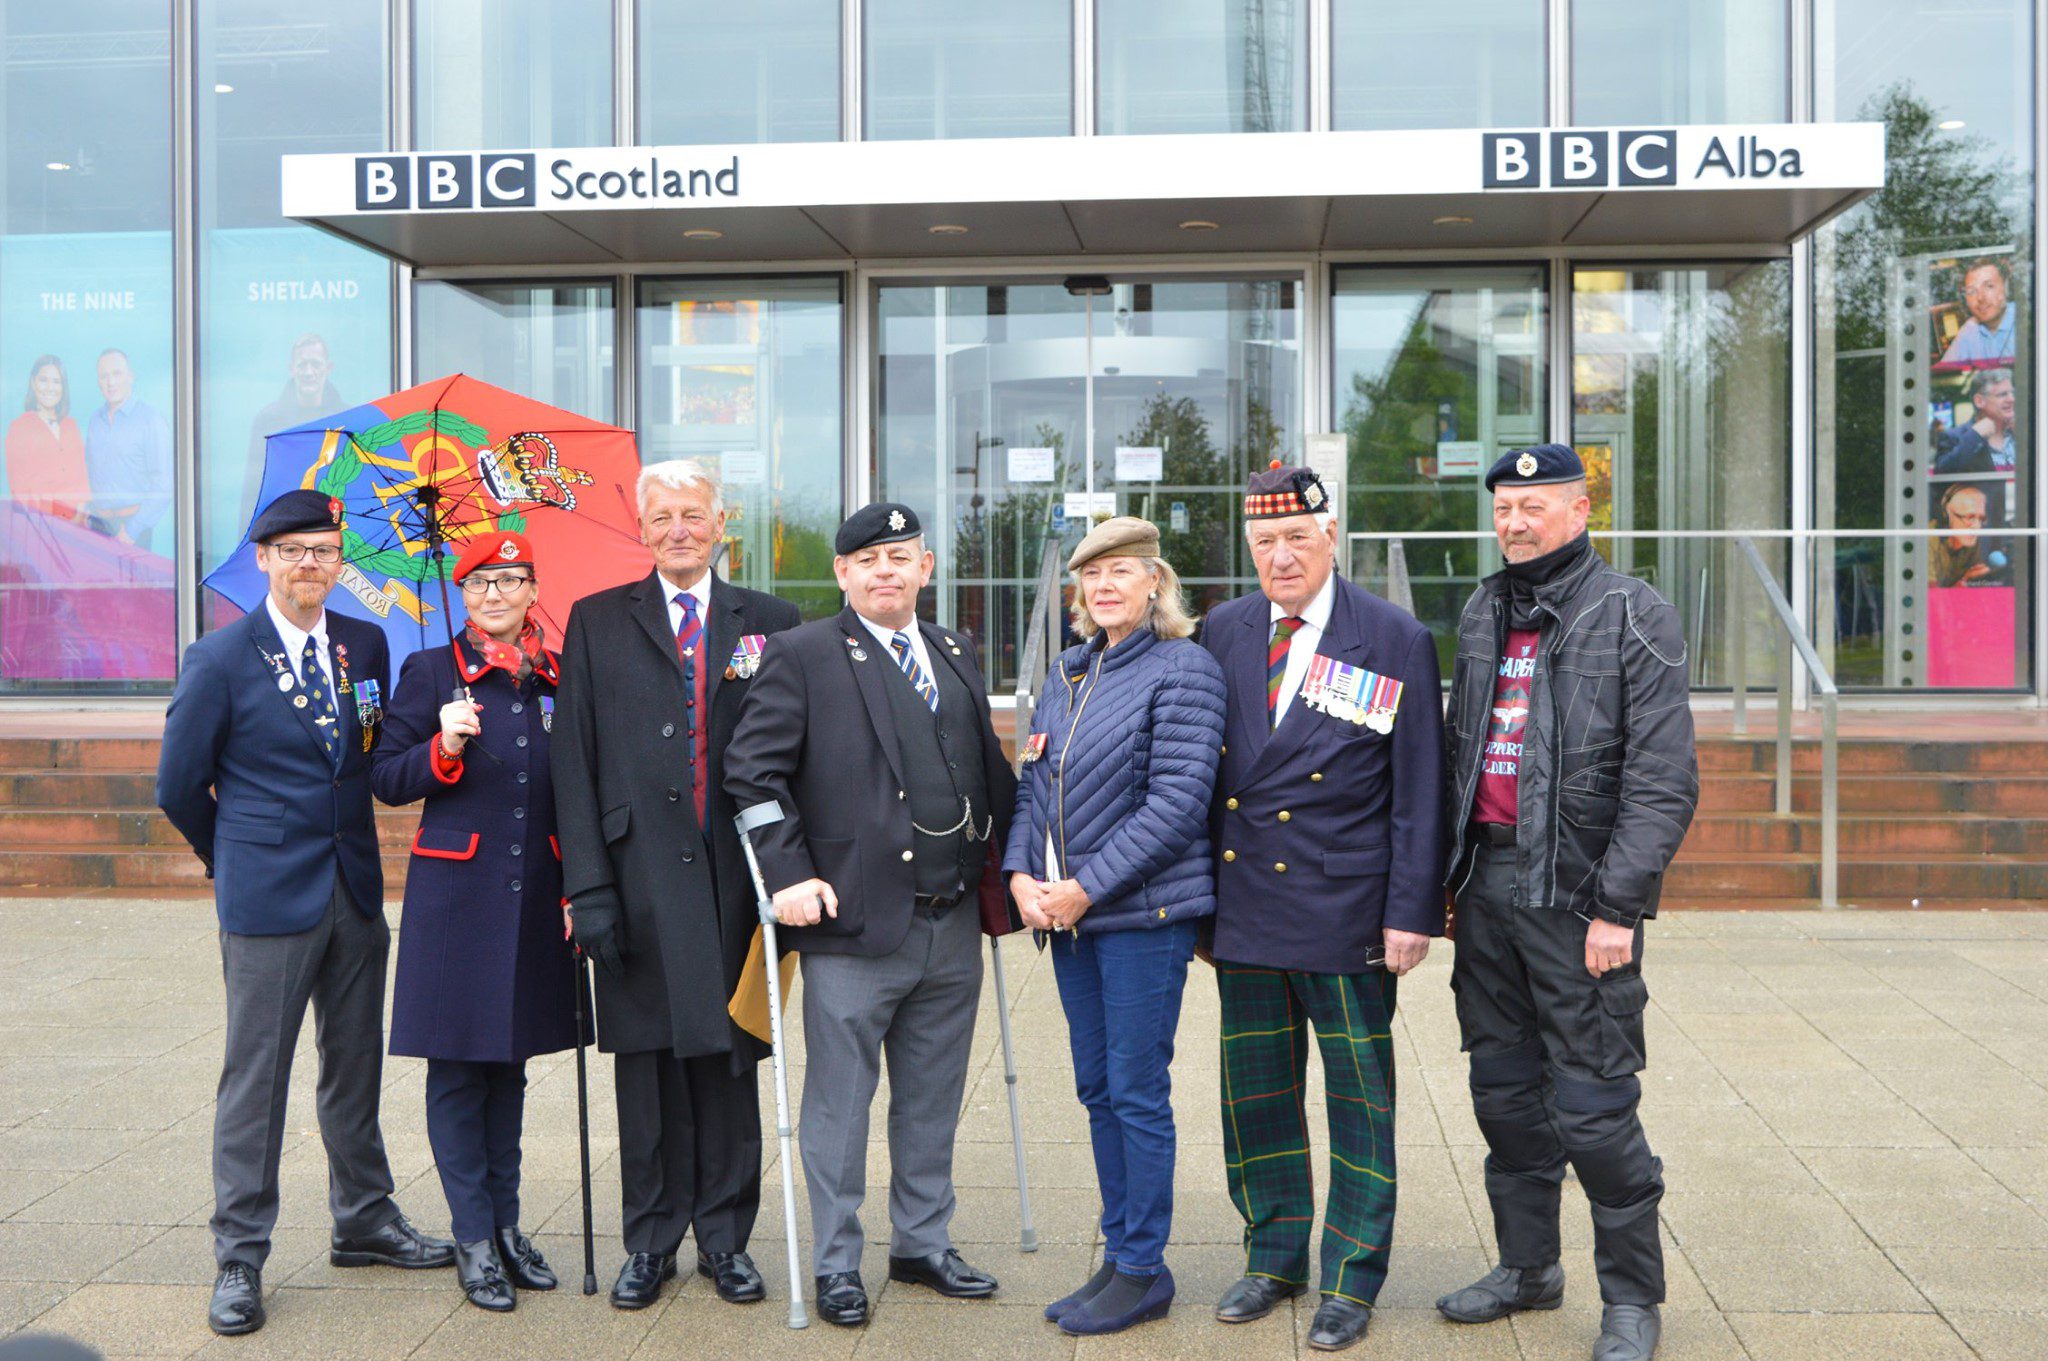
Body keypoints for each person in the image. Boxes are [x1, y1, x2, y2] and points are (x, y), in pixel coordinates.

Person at [156, 489, 454, 1338]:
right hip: (267, 899)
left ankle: (363, 1215)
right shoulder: (217, 658)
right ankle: (239, 1253)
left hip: (356, 890)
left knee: (352, 1065)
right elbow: (178, 785)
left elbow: (368, 754)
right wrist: (235, 859)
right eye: (292, 551)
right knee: (257, 1077)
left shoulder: (367, 642)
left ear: (340, 561)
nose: (309, 564)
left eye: (324, 550)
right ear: (263, 560)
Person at [724, 503, 1017, 1327]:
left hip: (951, 919)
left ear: (926, 567)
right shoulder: (802, 653)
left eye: (901, 556)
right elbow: (752, 774)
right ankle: (837, 1261)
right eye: (868, 559)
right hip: (851, 924)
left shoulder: (955, 651)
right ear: (843, 575)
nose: (886, 570)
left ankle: (923, 1243)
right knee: (840, 1102)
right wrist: (787, 873)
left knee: (932, 1096)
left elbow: (984, 771)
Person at [1437, 444, 1698, 1361]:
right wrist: (1443, 884)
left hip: (1580, 902)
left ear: (1581, 511)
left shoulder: (1633, 613)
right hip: (1489, 890)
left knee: (1592, 1107)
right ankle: (1528, 1268)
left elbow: (1663, 782)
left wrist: (1618, 909)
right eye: (1504, 506)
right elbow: (1457, 752)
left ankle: (1633, 1298)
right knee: (1503, 1094)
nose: (1514, 522)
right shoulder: (1480, 611)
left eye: (1533, 506)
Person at [1199, 462, 1445, 1353]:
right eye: (1264, 542)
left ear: (1330, 536)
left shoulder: (1393, 635)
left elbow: (1420, 789)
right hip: (1247, 906)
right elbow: (1200, 772)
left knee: (1359, 1101)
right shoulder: (1222, 628)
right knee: (1254, 1094)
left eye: (1296, 538)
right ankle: (1273, 1256)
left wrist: (1413, 911)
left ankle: (1350, 1275)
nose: (1280, 556)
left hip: (1348, 908)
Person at [551, 459, 801, 1310]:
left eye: (693, 513)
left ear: (721, 522)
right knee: (647, 1069)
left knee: (731, 1062)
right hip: (634, 879)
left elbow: (792, 760)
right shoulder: (594, 622)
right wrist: (587, 888)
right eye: (662, 518)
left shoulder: (771, 622)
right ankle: (651, 1239)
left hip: (737, 881)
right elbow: (572, 767)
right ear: (643, 529)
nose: (678, 529)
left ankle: (726, 1238)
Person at [1004, 517, 1226, 1337]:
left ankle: (1144, 1268)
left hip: (1140, 916)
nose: (1105, 587)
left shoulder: (1184, 669)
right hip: (1072, 917)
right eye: (1091, 576)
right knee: (1096, 1086)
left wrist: (1084, 889)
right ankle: (1122, 1248)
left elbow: (1176, 804)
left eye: (1122, 573)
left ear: (1154, 585)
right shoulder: (1068, 672)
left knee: (1136, 1089)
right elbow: (1032, 783)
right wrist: (1021, 873)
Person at [371, 531, 580, 1313]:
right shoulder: (430, 672)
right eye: (481, 581)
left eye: (511, 579)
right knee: (459, 1069)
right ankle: (472, 1237)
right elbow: (386, 778)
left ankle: (507, 1222)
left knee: (511, 1064)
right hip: (456, 903)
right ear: (464, 594)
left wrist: (578, 886)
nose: (495, 593)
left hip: (533, 897)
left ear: (533, 589)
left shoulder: (555, 675)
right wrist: (441, 743)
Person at [244, 333, 344, 532]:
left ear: (328, 368)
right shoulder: (267, 422)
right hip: (283, 527)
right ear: (292, 369)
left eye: (315, 364)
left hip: (331, 526)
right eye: (302, 364)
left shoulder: (345, 421)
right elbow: (254, 488)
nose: (309, 372)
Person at [83, 348, 172, 549]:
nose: (110, 382)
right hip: (98, 526)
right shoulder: (95, 421)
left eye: (116, 373)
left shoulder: (151, 420)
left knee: (134, 581)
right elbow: (89, 473)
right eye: (104, 376)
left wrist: (132, 530)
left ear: (130, 377)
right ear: (98, 381)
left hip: (134, 528)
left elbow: (163, 484)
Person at [4, 355, 90, 520]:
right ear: (33, 383)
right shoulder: (19, 428)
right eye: (44, 380)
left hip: (77, 525)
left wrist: (76, 519)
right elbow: (20, 491)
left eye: (57, 382)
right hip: (40, 525)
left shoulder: (71, 426)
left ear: (63, 387)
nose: (50, 388)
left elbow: (81, 480)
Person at [1938, 257, 2017, 366]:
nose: (1980, 298)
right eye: (1971, 291)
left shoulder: (2030, 322)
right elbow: (1943, 374)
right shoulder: (1970, 328)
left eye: (1989, 286)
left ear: (2006, 287)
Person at [1930, 483, 2010, 586]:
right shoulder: (1928, 539)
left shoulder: (1968, 540)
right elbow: (1931, 598)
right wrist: (1965, 581)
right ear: (1946, 516)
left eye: (1981, 519)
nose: (1977, 527)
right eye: (1969, 517)